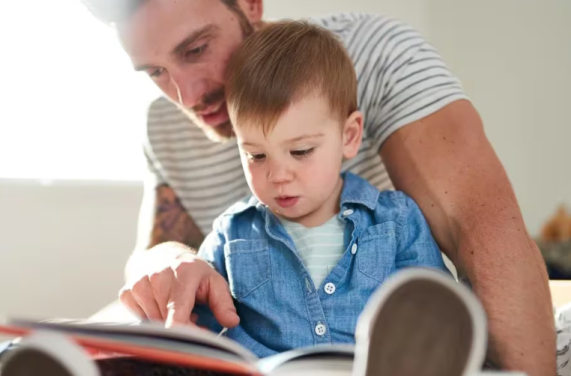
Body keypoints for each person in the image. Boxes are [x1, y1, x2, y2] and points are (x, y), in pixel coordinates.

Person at [0, 0, 556, 374]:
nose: (186, 95)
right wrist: (170, 263)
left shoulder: (373, 57)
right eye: (155, 71)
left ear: (251, 2)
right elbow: (153, 259)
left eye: (196, 49)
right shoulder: (166, 127)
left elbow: (483, 230)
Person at [189, 20, 450, 357]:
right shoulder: (231, 234)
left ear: (349, 136)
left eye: (300, 152)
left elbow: (440, 316)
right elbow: (194, 335)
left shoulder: (395, 222)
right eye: (256, 155)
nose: (278, 175)